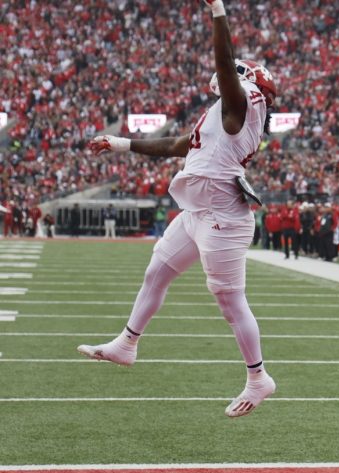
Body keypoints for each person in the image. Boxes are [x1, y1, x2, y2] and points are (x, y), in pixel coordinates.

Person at [77, 0, 277, 418]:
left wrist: (218, 12)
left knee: (229, 301)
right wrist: (121, 144)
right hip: (199, 210)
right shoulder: (224, 114)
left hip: (223, 215)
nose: (230, 74)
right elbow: (175, 146)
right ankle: (127, 343)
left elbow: (225, 67)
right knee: (158, 271)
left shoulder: (244, 104)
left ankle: (259, 377)